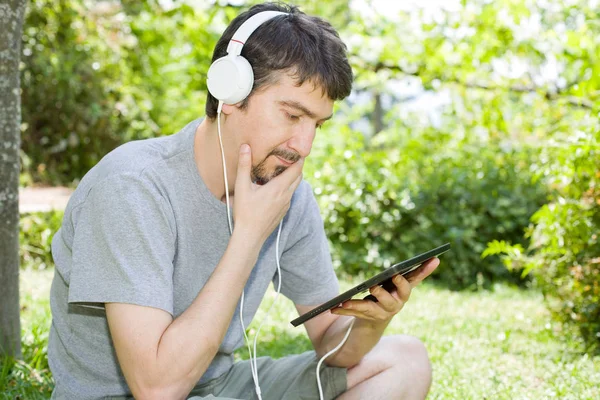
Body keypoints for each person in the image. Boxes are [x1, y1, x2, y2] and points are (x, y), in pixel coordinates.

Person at [48, 2, 440, 399]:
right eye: (291, 116)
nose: (304, 146)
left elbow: (330, 342)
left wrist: (371, 321)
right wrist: (250, 234)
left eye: (316, 125)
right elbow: (156, 388)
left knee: (404, 360)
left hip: (218, 388)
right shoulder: (132, 186)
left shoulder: (287, 191)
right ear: (230, 94)